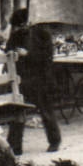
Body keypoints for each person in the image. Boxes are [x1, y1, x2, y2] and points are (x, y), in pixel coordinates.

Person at [6, 9, 61, 154]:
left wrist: (28, 54)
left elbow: (47, 57)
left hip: (41, 79)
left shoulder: (42, 34)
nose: (19, 29)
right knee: (18, 113)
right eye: (18, 27)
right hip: (22, 79)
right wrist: (12, 55)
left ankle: (54, 141)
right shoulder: (15, 36)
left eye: (22, 25)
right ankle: (15, 145)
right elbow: (8, 52)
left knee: (46, 112)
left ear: (28, 23)